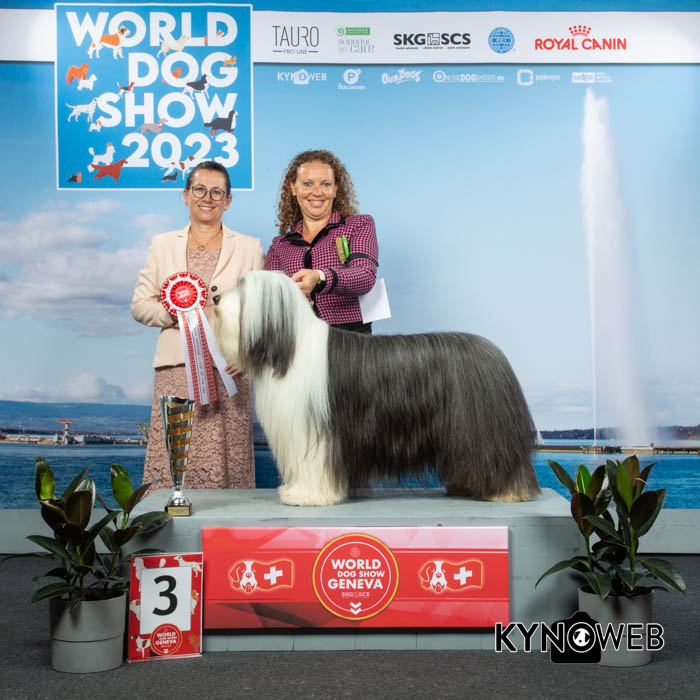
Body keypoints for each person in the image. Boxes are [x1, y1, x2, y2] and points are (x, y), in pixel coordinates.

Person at [131, 161, 264, 491]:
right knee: (175, 460)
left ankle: (229, 522)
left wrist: (246, 353)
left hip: (229, 373)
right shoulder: (162, 244)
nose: (208, 198)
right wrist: (174, 313)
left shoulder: (250, 247)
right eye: (200, 190)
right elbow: (139, 305)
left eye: (217, 192)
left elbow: (259, 312)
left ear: (228, 201)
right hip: (176, 369)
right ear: (186, 195)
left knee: (229, 462)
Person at [265, 149, 378, 333]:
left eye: (326, 184)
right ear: (293, 188)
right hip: (297, 339)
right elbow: (269, 298)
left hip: (350, 340)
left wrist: (320, 277)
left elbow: (365, 276)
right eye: (307, 184)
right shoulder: (280, 244)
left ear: (336, 189)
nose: (317, 192)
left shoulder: (359, 225)